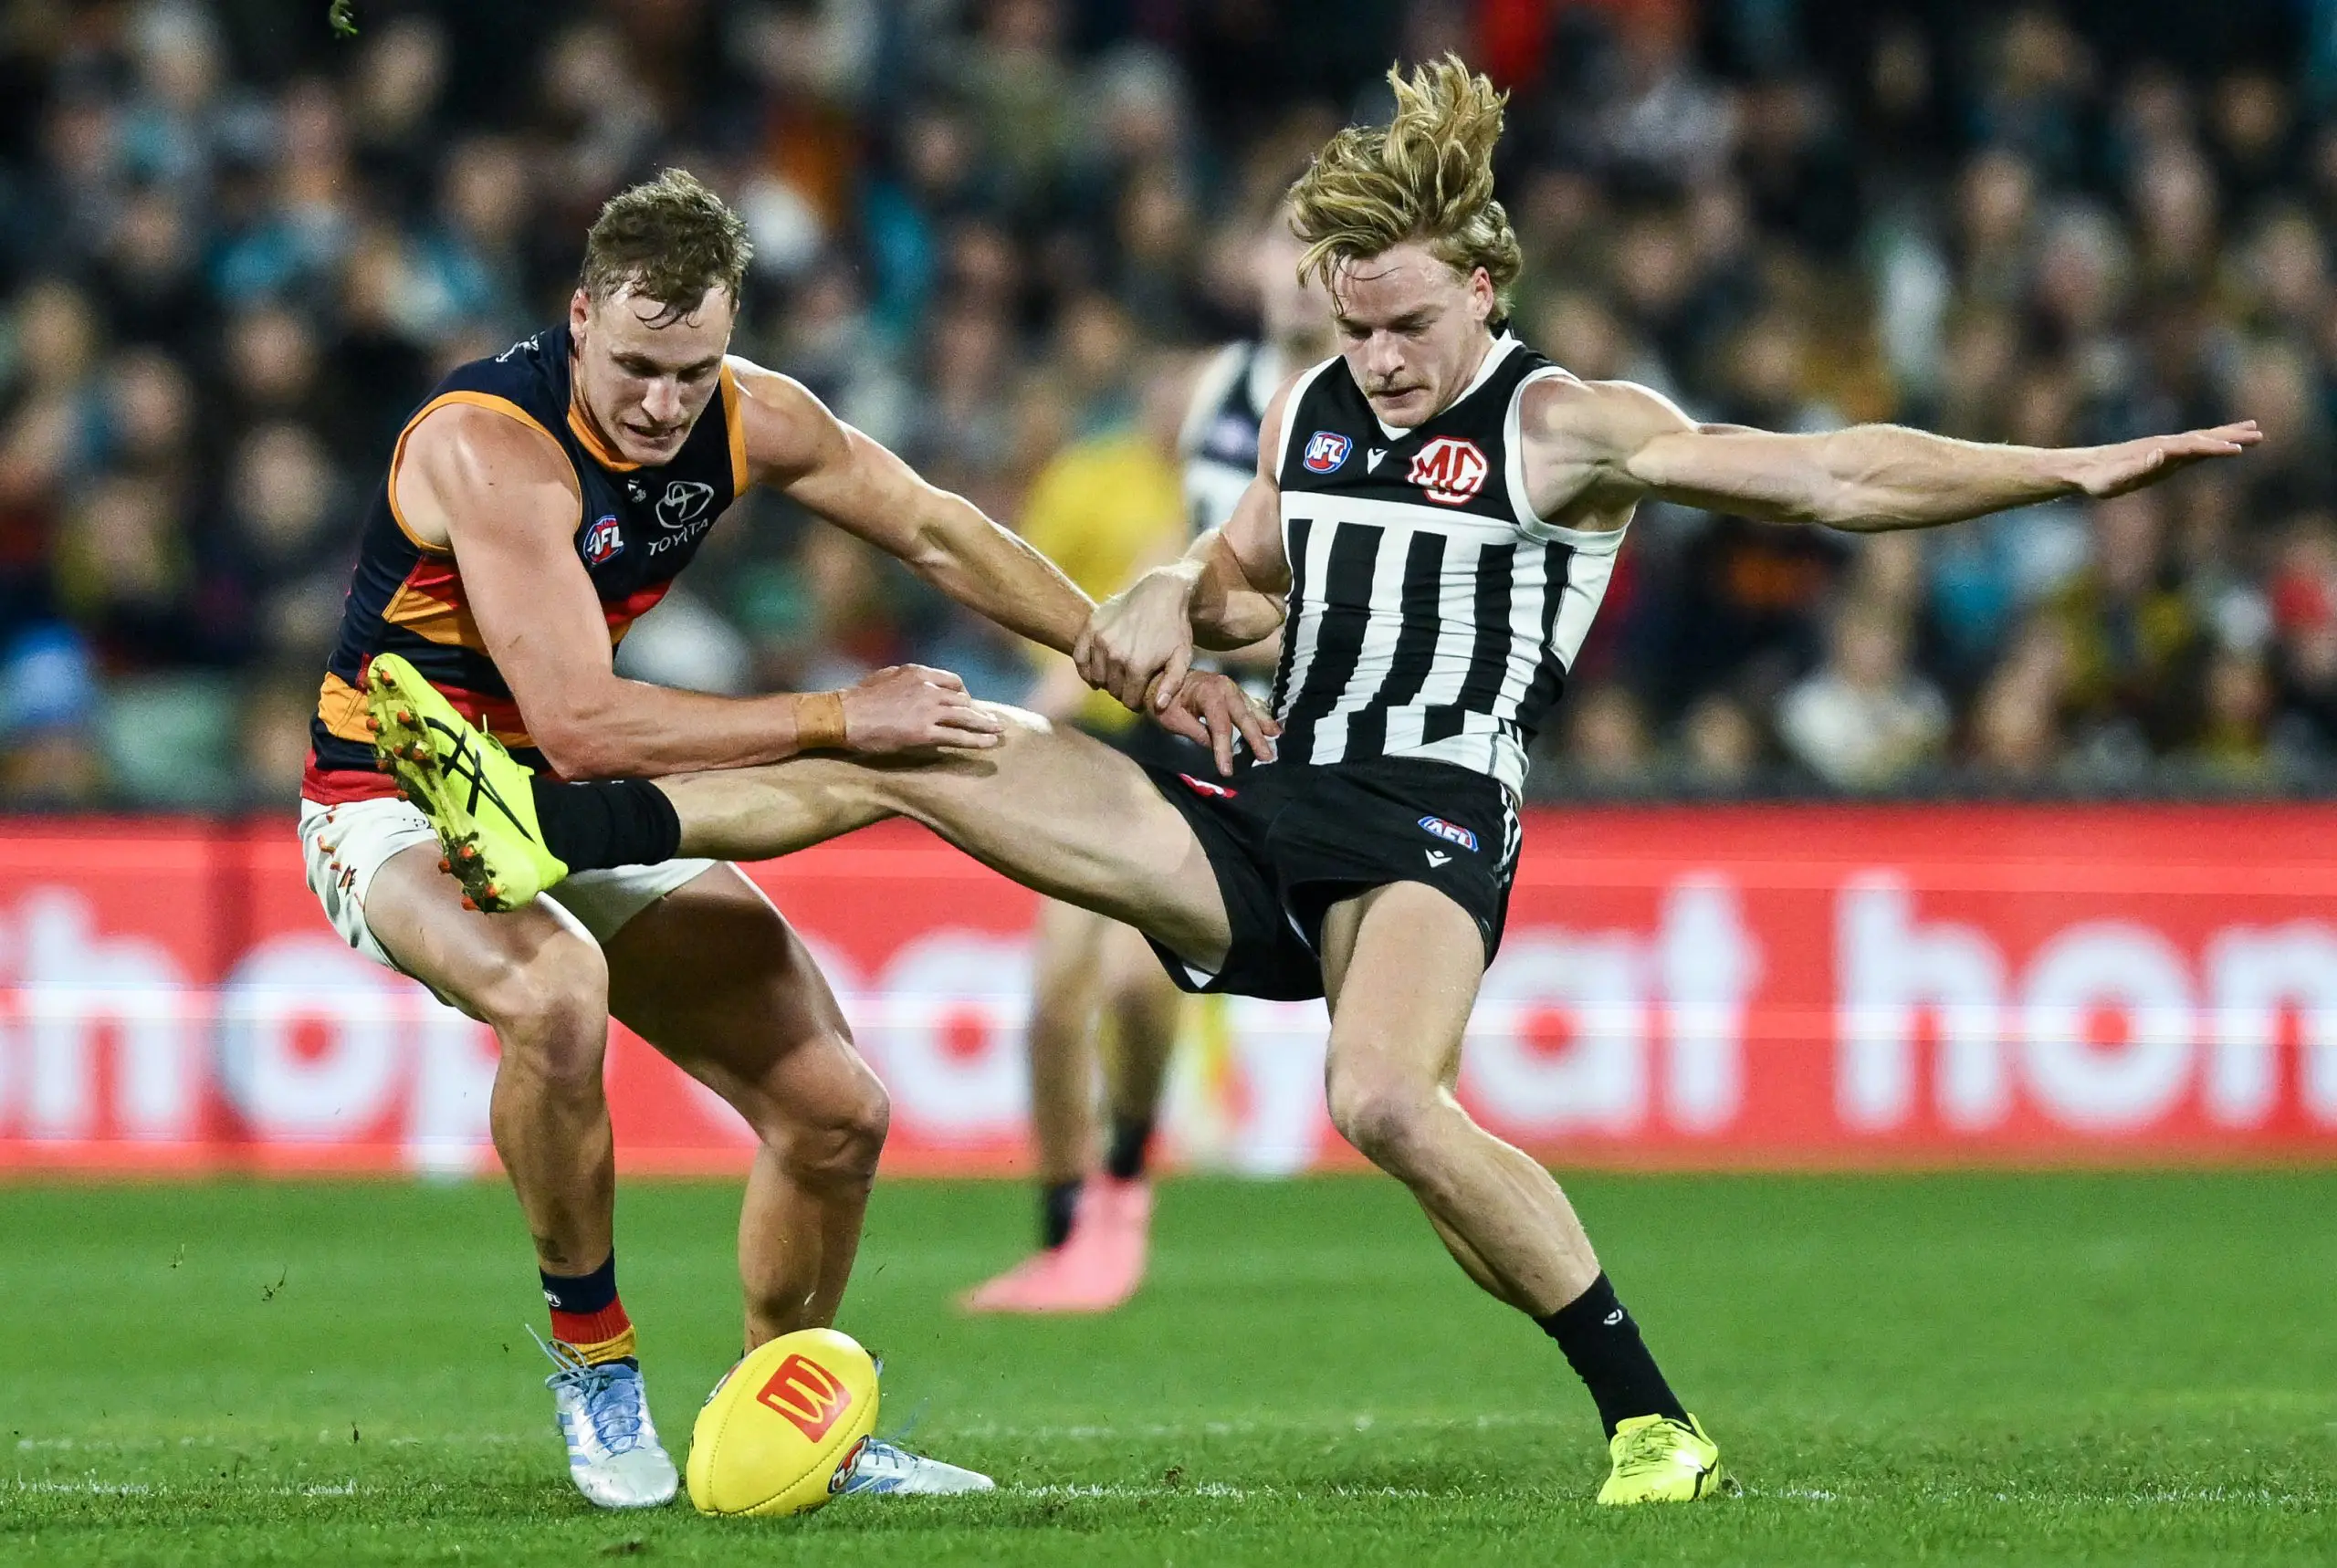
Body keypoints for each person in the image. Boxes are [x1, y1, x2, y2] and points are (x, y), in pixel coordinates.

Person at [367, 59, 2256, 1505]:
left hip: (1428, 821)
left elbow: (1828, 473)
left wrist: (2066, 469)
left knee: (1378, 1097)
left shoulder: (1564, 426)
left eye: (1407, 325)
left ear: (1485, 284)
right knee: (940, 743)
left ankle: (1647, 1418)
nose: (1377, 356)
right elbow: (1246, 575)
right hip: (1257, 798)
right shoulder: (1318, 408)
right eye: (1350, 325)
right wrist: (1169, 603)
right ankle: (567, 820)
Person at [298, 168, 1105, 1509]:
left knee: (837, 1111)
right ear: (576, 320)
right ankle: (596, 1362)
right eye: (635, 367)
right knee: (558, 1000)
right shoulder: (490, 443)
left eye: (693, 368)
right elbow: (580, 724)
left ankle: (791, 1429)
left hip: (569, 809)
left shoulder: (748, 416)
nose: (663, 404)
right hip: (401, 792)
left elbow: (937, 530)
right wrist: (844, 715)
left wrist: (1109, 648)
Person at [960, 210, 1334, 1316]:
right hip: (1167, 711)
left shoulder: (1366, 402)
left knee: (1133, 979)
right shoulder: (1215, 387)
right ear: (1250, 259)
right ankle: (1064, 1232)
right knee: (1045, 995)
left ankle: (1121, 1194)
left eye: (1334, 254)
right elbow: (1183, 550)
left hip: (1271, 730)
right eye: (1289, 244)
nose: (1307, 277)